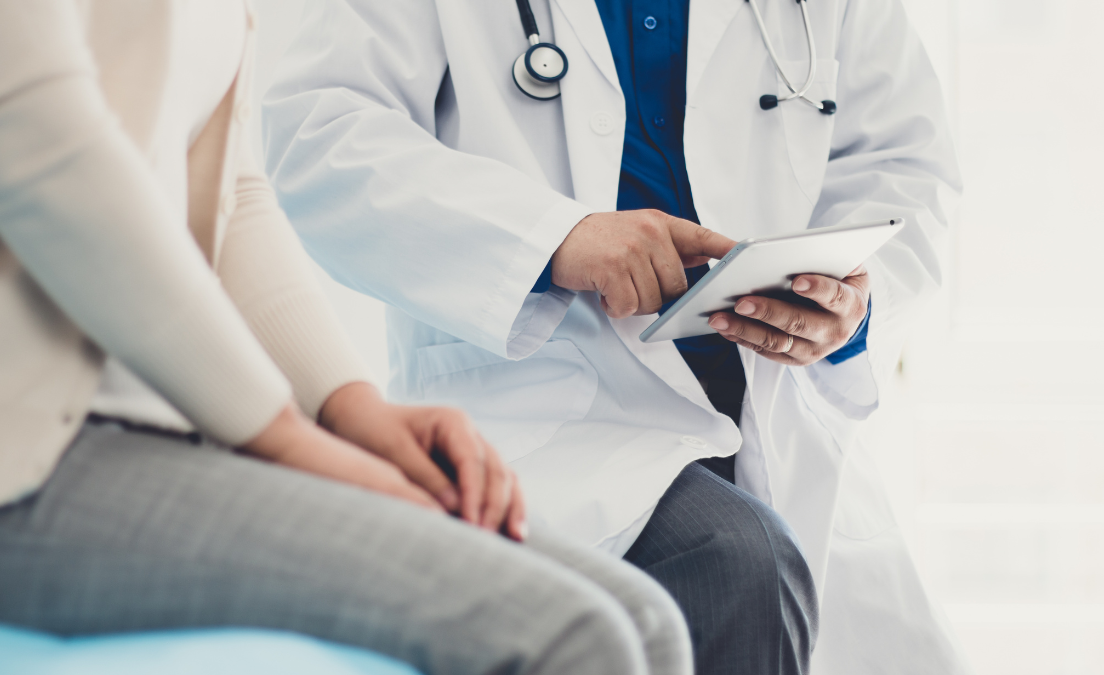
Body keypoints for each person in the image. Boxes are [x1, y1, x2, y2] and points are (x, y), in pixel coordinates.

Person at [0, 3, 697, 675]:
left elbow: (231, 193)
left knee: (646, 623)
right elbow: (44, 161)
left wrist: (351, 408)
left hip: (155, 428)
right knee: (572, 638)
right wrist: (283, 435)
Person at [261, 0, 968, 673]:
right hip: (547, 405)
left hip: (772, 406)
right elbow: (318, 136)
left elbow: (905, 167)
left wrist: (848, 298)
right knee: (735, 562)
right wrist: (551, 237)